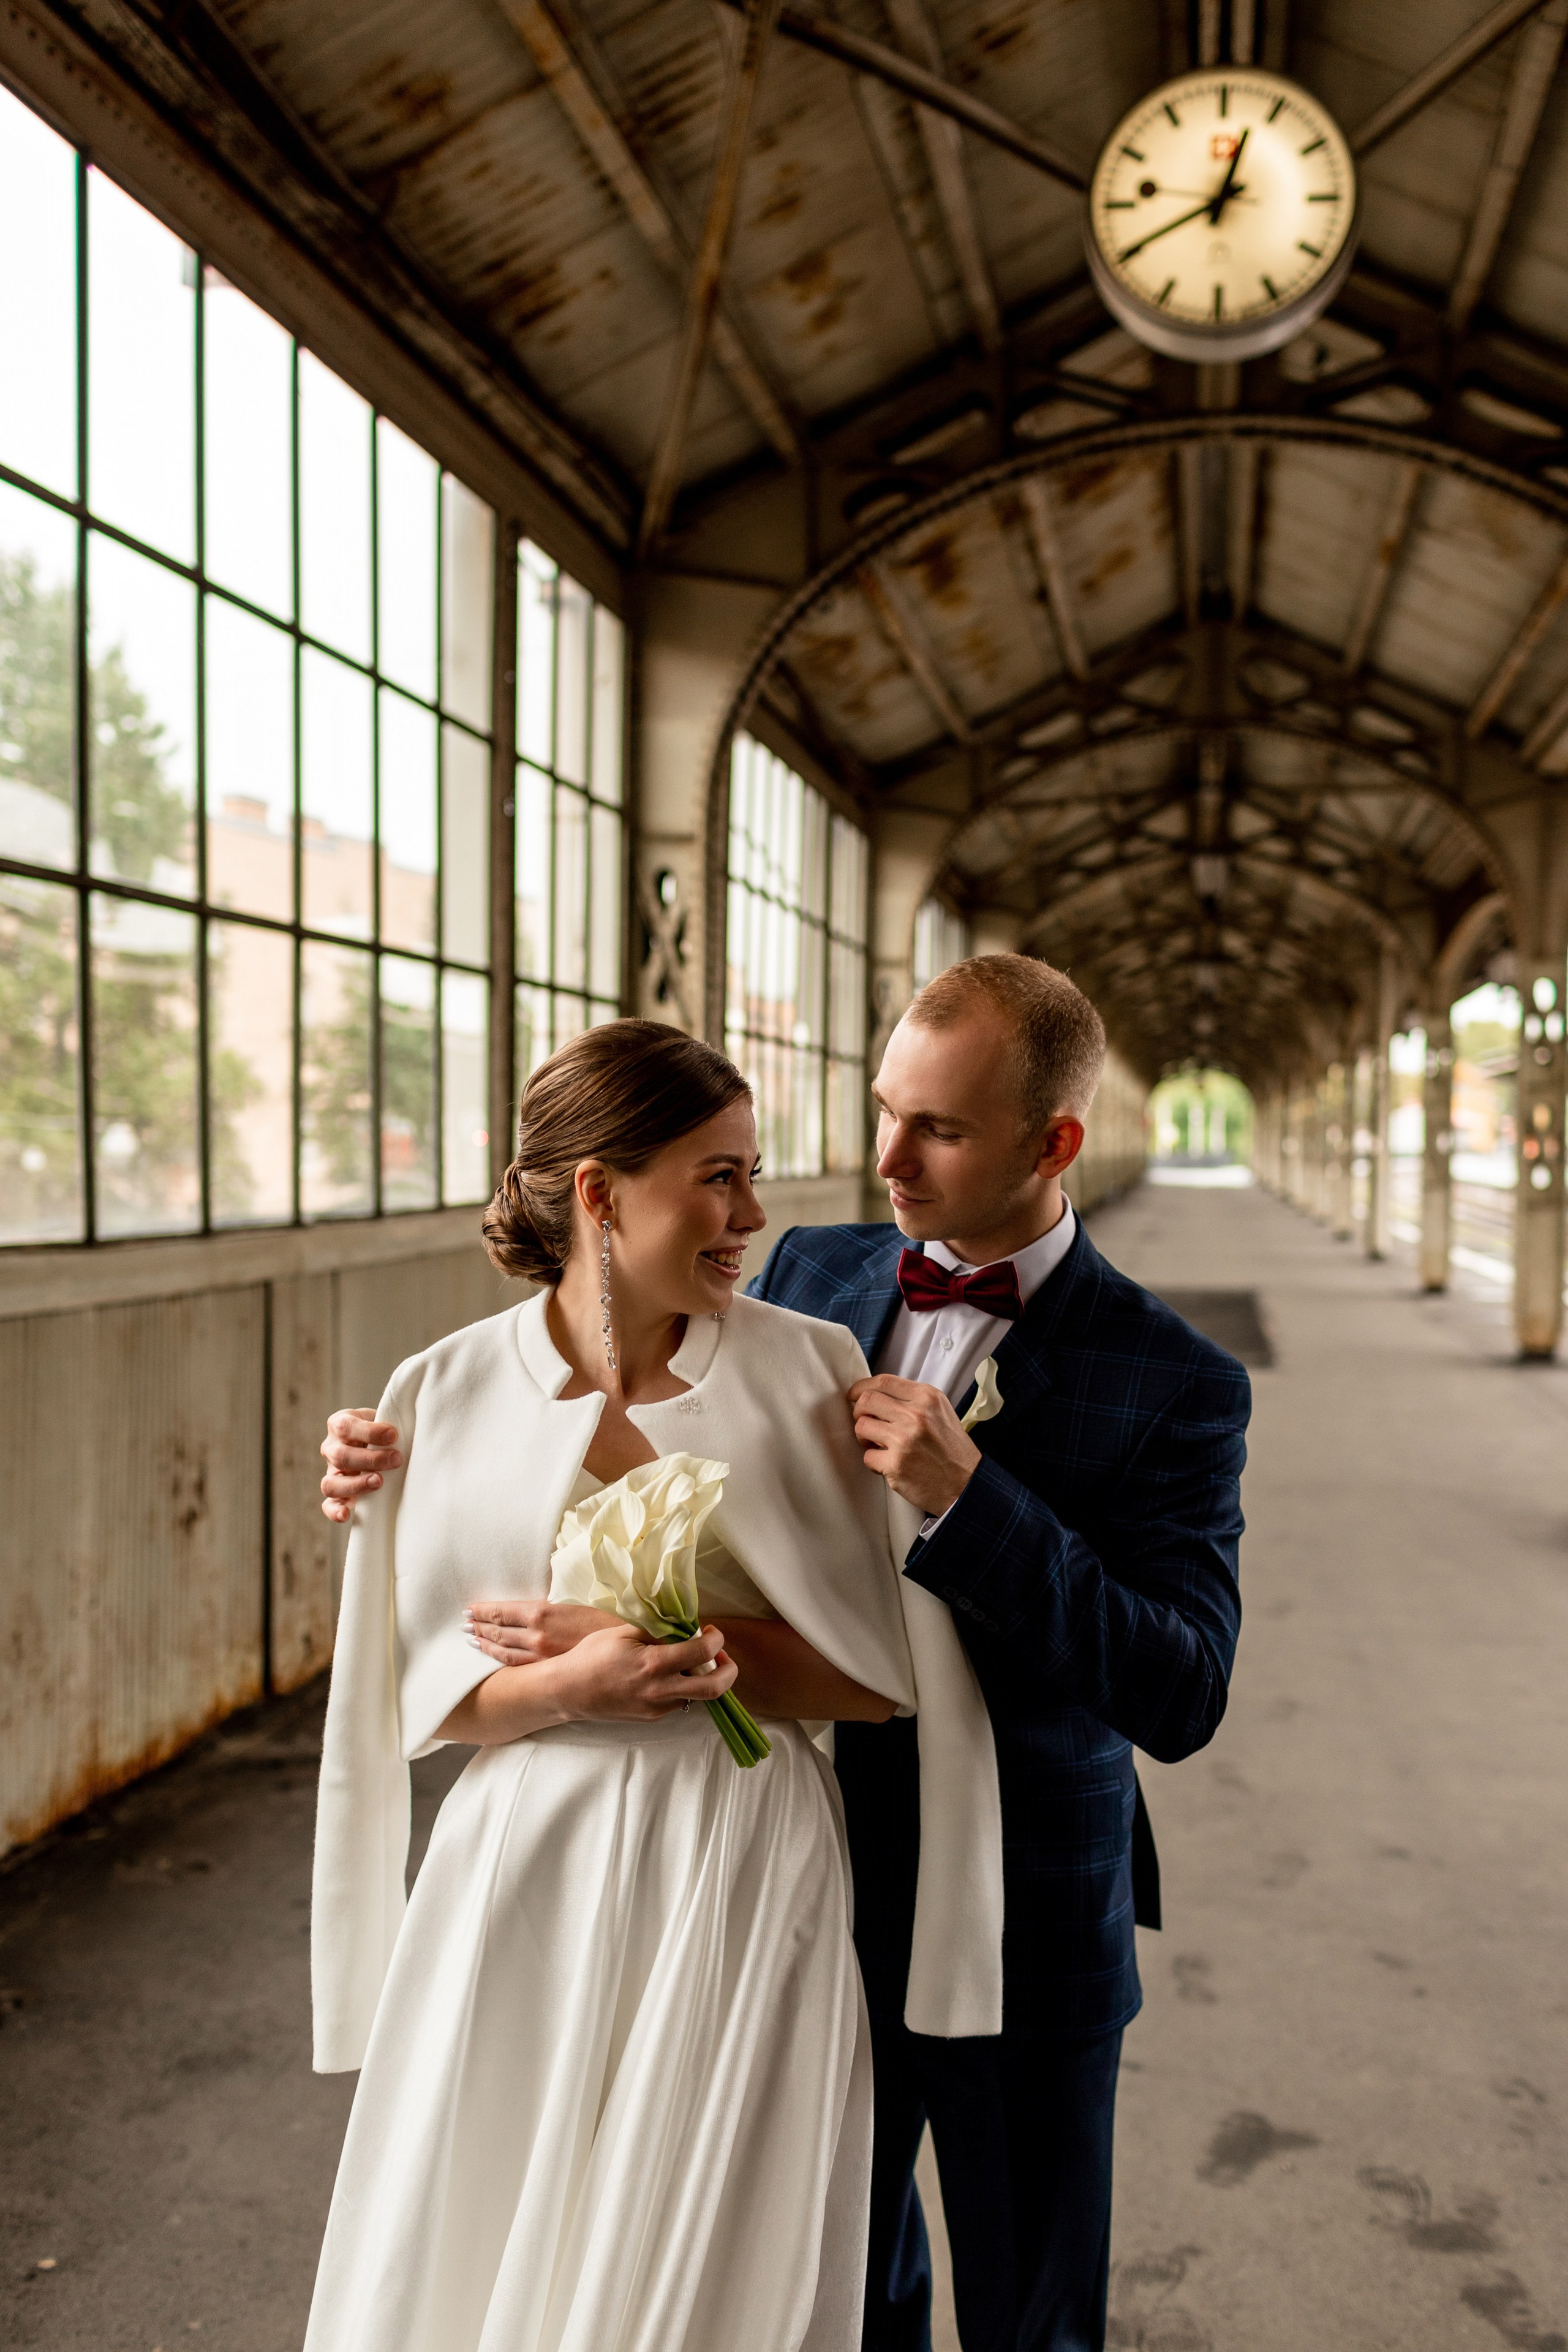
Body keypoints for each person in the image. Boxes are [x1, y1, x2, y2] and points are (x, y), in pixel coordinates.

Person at [321, 957, 1250, 2352]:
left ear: (1053, 1142)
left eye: (935, 1129)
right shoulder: (802, 1272)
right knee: (808, 2287)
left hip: (1026, 1905)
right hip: (784, 1888)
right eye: (883, 1109)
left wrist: (972, 1503)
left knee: (1030, 2313)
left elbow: (1179, 1689)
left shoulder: (1174, 1377)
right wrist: (391, 1465)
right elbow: (574, 1376)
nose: (885, 1160)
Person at [305, 1019, 1003, 2352]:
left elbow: (875, 1678)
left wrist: (671, 1651)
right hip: (521, 1876)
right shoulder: (435, 1392)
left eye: (751, 1172)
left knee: (720, 2251)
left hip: (745, 1862)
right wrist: (574, 1688)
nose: (751, 1213)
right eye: (717, 1176)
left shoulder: (809, 1368)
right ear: (596, 1191)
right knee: (498, 2220)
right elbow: (428, 1702)